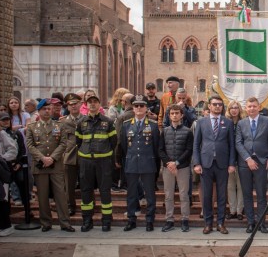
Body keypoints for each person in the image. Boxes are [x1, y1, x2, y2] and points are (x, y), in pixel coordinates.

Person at [26, 99, 74, 233]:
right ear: (39, 111)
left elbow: (63, 143)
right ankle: (46, 222)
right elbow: (30, 145)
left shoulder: (59, 125)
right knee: (42, 196)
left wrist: (52, 158)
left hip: (56, 165)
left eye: (49, 109)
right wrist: (42, 158)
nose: (47, 111)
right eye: (44, 109)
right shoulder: (32, 127)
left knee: (61, 195)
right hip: (40, 165)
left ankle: (65, 223)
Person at [235, 96, 268, 234]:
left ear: (259, 107)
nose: (252, 108)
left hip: (262, 162)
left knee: (261, 194)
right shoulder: (241, 123)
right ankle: (250, 223)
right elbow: (238, 142)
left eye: (254, 106)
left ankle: (261, 223)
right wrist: (248, 158)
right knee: (247, 194)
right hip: (245, 163)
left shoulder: (267, 121)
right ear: (246, 108)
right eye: (249, 106)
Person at [76, 90, 117, 232]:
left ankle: (106, 221)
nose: (92, 104)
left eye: (95, 102)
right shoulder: (81, 122)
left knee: (105, 191)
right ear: (86, 105)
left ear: (99, 104)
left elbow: (113, 142)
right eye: (90, 102)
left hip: (103, 162)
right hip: (86, 162)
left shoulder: (108, 122)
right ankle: (87, 220)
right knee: (86, 191)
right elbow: (78, 142)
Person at [193, 95, 235, 235]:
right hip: (206, 163)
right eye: (215, 104)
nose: (217, 106)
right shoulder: (201, 122)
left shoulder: (228, 122)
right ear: (209, 106)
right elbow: (196, 144)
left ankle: (221, 223)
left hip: (223, 164)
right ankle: (208, 223)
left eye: (220, 104)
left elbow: (232, 145)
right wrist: (197, 163)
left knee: (222, 195)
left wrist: (231, 163)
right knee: (207, 195)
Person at [119, 95, 160, 232]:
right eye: (136, 105)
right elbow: (123, 146)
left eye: (142, 105)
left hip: (148, 163)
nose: (139, 108)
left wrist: (155, 165)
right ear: (133, 108)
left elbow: (156, 147)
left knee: (150, 194)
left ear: (146, 108)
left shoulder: (153, 125)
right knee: (131, 193)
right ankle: (131, 219)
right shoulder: (126, 125)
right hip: (131, 163)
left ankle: (150, 220)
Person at [158, 104, 194, 232]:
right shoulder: (165, 131)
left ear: (181, 115)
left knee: (184, 195)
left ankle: (185, 219)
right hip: (168, 168)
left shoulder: (188, 131)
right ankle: (169, 220)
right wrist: (169, 163)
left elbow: (189, 150)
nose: (174, 115)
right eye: (172, 113)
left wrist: (177, 162)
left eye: (177, 113)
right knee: (168, 195)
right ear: (169, 115)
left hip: (182, 167)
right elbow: (160, 149)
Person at [59, 93, 83, 216]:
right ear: (67, 106)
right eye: (70, 104)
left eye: (75, 104)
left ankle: (89, 205)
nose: (73, 106)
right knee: (68, 185)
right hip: (69, 156)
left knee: (86, 183)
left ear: (80, 104)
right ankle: (70, 206)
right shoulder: (62, 122)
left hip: (85, 155)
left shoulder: (86, 119)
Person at [225, 100, 245, 220]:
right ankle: (232, 210)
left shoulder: (244, 122)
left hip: (241, 157)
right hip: (227, 158)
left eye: (236, 107)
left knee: (241, 185)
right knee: (230, 185)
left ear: (239, 109)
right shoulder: (225, 122)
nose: (234, 110)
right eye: (231, 108)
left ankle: (239, 210)